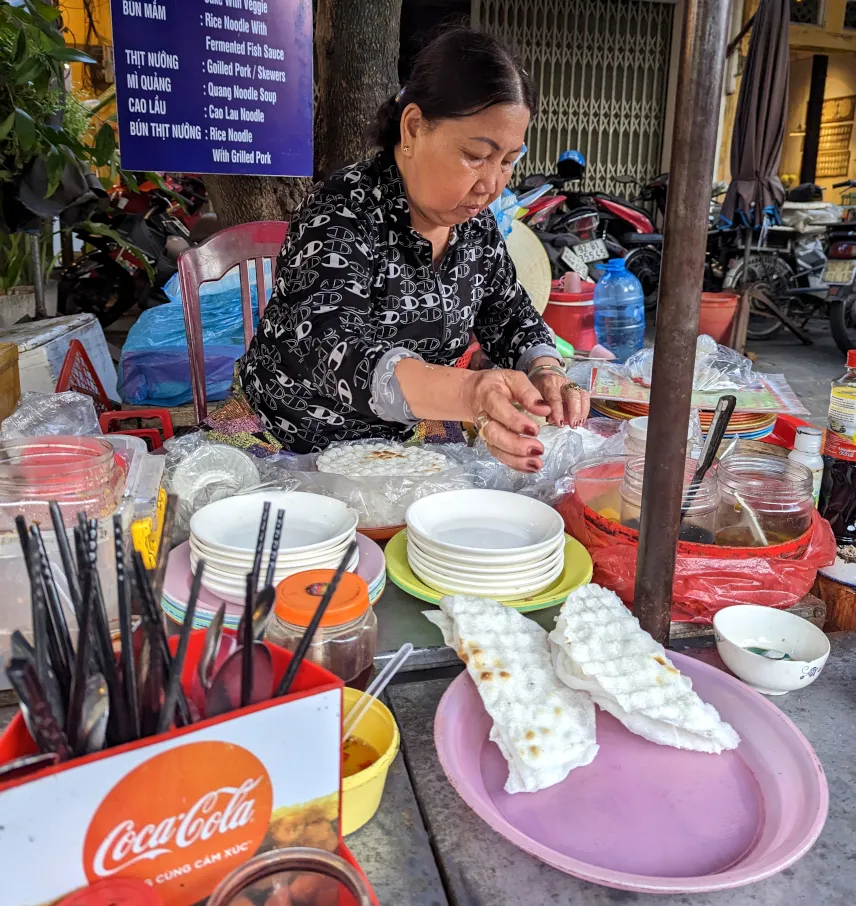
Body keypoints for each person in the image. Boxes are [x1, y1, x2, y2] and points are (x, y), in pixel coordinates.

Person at [239, 27, 590, 472]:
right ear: (413, 128)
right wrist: (468, 393)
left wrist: (545, 370)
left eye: (507, 161)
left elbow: (510, 313)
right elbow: (333, 350)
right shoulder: (342, 209)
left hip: (397, 447)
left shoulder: (474, 227)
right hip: (289, 441)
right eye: (476, 155)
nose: (492, 185)